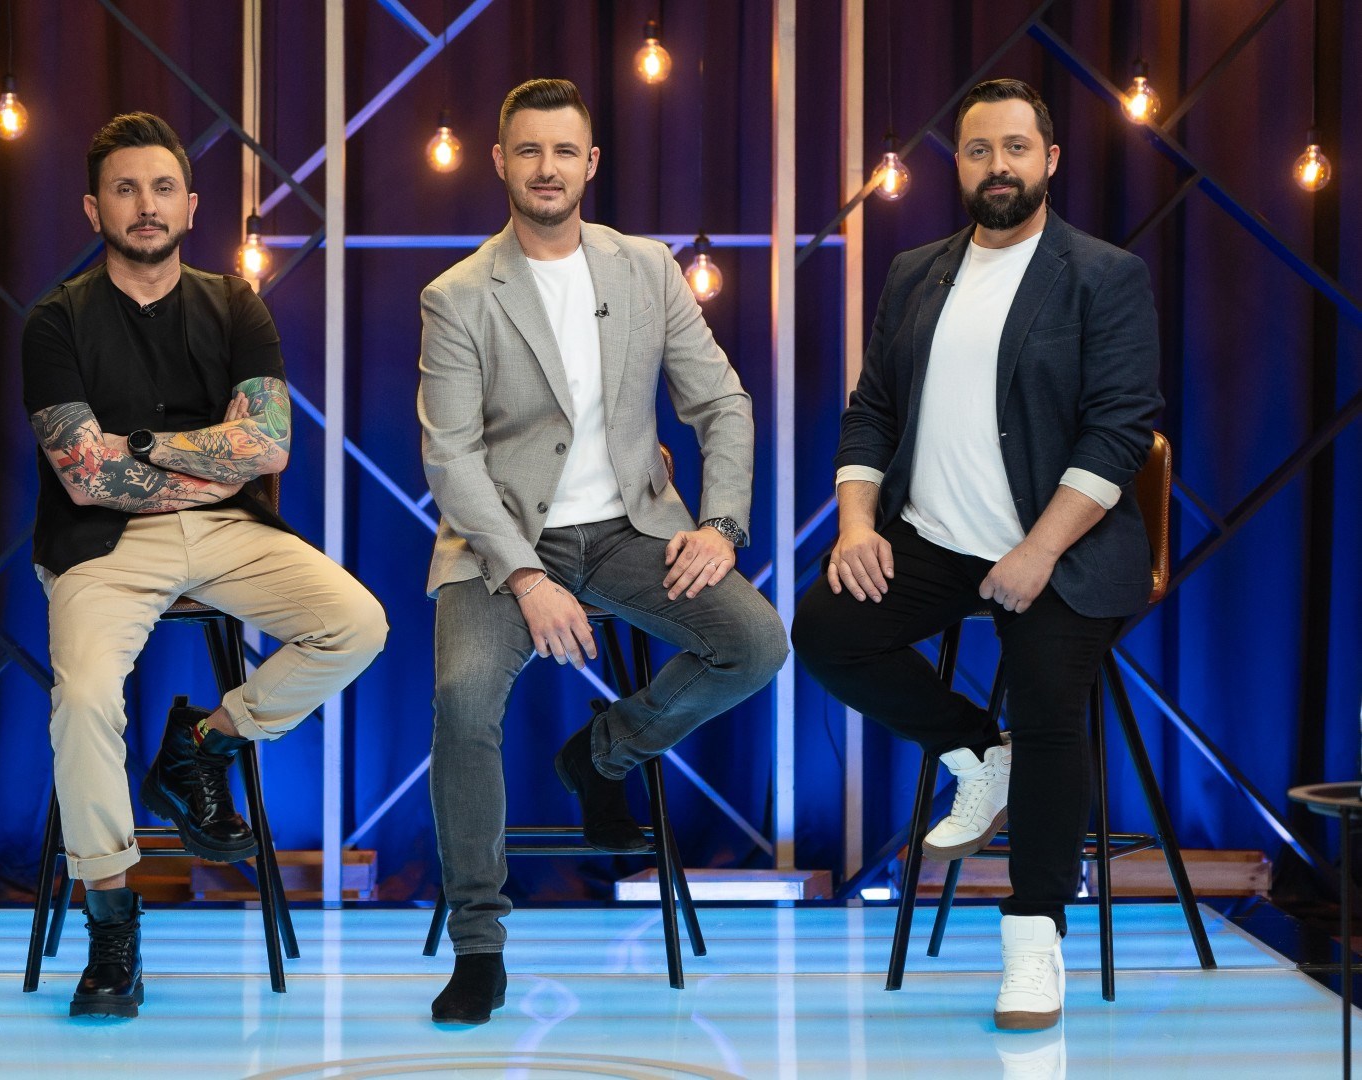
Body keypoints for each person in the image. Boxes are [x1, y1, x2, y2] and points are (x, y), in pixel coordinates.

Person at [791, 79, 1163, 1031]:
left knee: (1048, 711)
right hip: (933, 540)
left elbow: (1120, 431)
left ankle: (1033, 936)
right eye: (978, 149)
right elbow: (872, 410)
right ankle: (971, 750)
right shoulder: (916, 271)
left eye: (1015, 148)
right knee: (826, 630)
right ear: (957, 164)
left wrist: (1039, 550)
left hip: (1060, 550)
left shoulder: (1104, 275)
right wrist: (858, 524)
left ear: (1049, 160)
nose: (998, 166)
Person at [417, 78, 789, 1025]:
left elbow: (724, 402)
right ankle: (479, 945)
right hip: (502, 543)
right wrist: (526, 576)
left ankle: (605, 752)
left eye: (564, 151)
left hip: (632, 528)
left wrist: (722, 525)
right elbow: (451, 458)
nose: (547, 168)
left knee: (756, 643)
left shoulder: (647, 268)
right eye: (528, 150)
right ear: (501, 162)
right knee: (463, 701)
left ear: (590, 163)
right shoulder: (458, 295)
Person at [21, 112, 387, 1020]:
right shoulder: (55, 320)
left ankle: (202, 746)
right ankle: (112, 922)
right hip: (101, 545)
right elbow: (84, 475)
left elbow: (268, 445)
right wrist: (202, 459)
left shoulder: (235, 304)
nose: (145, 205)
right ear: (93, 209)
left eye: (161, 188)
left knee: (358, 624)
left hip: (230, 531)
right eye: (124, 189)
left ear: (191, 204)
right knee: (84, 698)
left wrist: (143, 447)